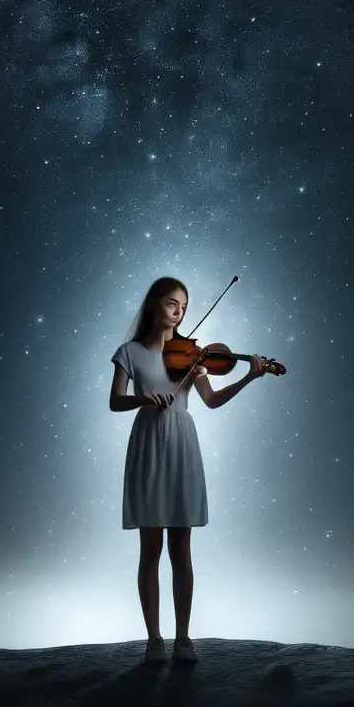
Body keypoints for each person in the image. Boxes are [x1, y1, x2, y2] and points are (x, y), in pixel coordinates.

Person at [109, 276, 266, 665]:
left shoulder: (192, 356)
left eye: (183, 306)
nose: (178, 312)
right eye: (171, 303)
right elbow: (115, 402)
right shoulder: (129, 352)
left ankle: (183, 639)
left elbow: (210, 400)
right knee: (151, 548)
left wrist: (248, 375)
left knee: (181, 547)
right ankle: (154, 640)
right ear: (153, 305)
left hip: (181, 442)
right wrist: (146, 398)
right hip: (148, 442)